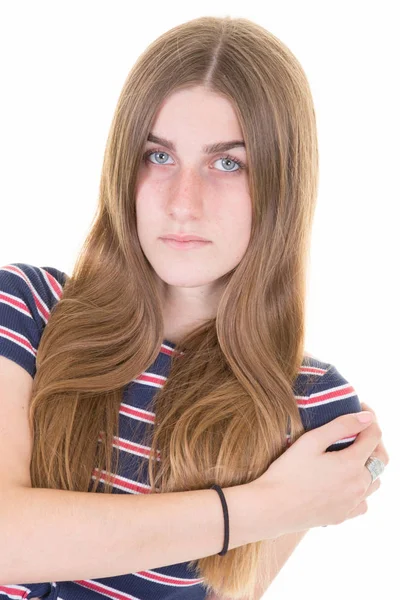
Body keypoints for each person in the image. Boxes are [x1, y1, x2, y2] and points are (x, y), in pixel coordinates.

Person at [0, 15, 389, 600]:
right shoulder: (27, 308)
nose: (184, 203)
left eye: (228, 163)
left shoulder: (308, 408)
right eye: (158, 157)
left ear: (282, 186)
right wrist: (261, 508)